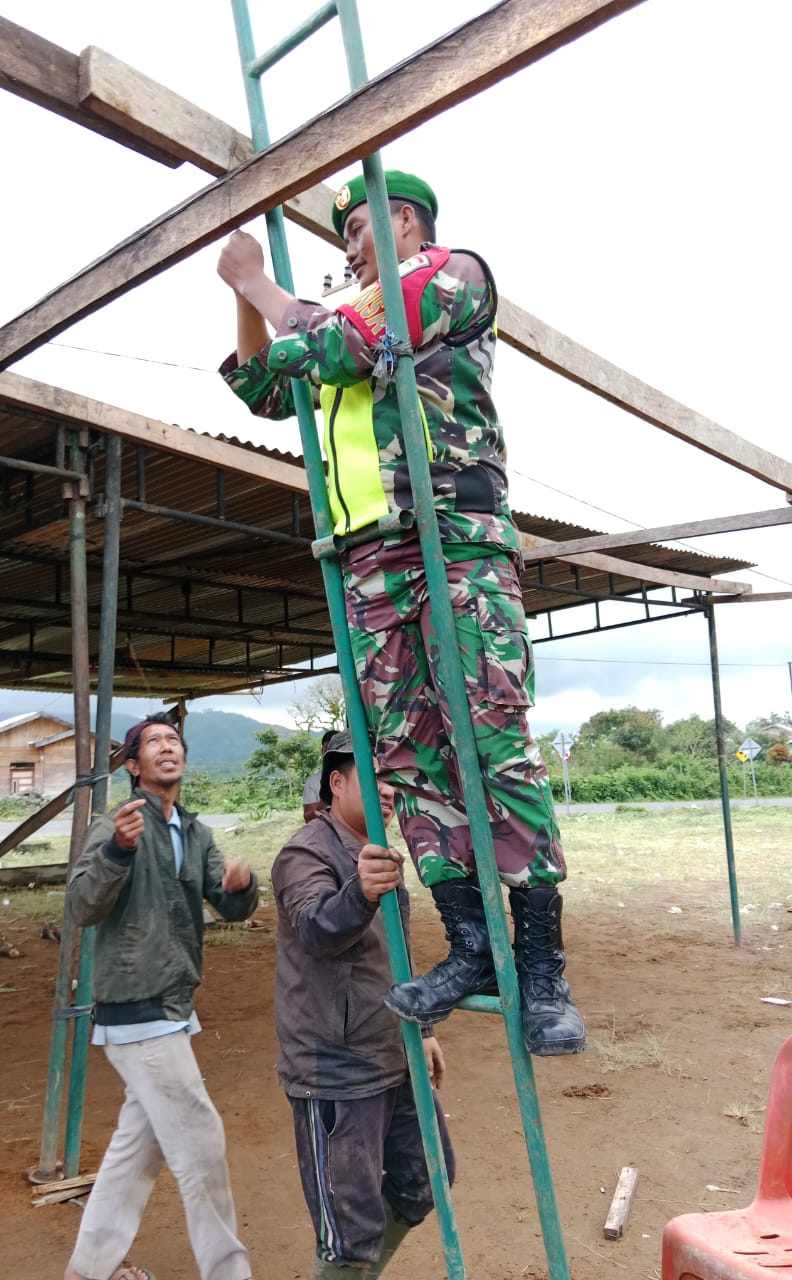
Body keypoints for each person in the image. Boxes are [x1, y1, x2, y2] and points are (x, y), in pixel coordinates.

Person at [217, 170, 585, 1056]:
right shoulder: (344, 329)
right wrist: (245, 302)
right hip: (371, 559)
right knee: (408, 758)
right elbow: (267, 388)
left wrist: (256, 284)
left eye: (358, 231)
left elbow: (333, 341)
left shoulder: (452, 278)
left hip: (451, 539)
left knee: (489, 738)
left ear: (407, 221)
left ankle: (541, 969)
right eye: (340, 238)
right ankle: (470, 950)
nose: (347, 248)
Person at [63, 712, 258, 1280]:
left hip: (171, 1006)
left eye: (174, 740)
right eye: (154, 742)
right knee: (201, 1143)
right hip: (137, 1006)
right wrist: (117, 853)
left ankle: (88, 1270)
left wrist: (242, 890)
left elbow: (229, 903)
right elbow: (80, 908)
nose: (168, 747)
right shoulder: (116, 825)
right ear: (134, 765)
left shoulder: (195, 833)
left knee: (135, 1152)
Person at [272, 729, 454, 1279]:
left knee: (426, 1181)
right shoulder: (305, 853)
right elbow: (318, 927)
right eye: (376, 777)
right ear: (337, 782)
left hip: (391, 1053)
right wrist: (360, 891)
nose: (391, 789)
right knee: (349, 1230)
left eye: (395, 777)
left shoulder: (378, 853)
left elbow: (388, 957)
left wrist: (419, 1030)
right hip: (335, 1068)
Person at [302, 728, 338, 822]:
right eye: (327, 750)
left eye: (335, 750)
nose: (331, 754)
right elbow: (308, 818)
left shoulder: (355, 777)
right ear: (322, 752)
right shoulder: (312, 781)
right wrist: (325, 800)